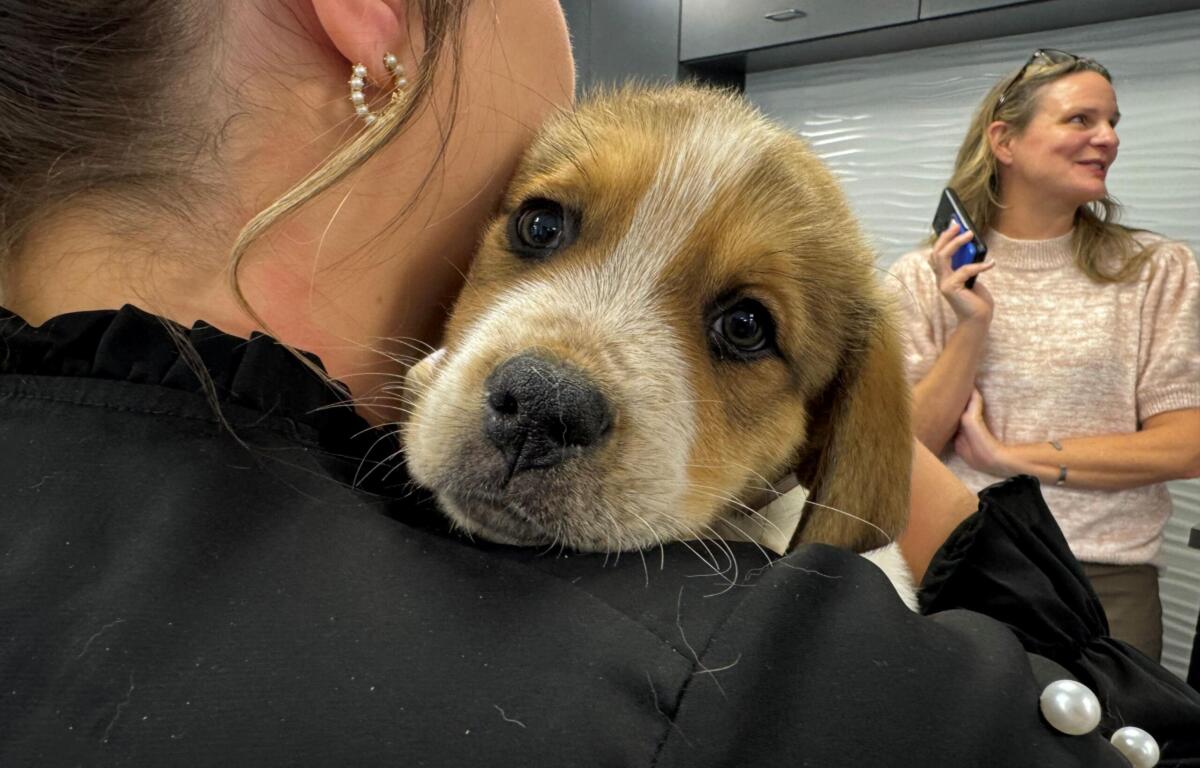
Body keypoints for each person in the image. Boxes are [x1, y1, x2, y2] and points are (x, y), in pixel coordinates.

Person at [1, 4, 1197, 764]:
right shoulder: (766, 690)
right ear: (371, 20)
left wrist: (878, 465)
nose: (557, 378)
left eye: (739, 325)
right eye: (541, 227)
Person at [890, 49, 1200, 662]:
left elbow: (1185, 445)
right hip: (963, 562)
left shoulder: (1155, 270)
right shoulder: (921, 279)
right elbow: (906, 446)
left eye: (1113, 122)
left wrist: (1009, 458)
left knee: (1107, 756)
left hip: (1107, 582)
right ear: (1004, 141)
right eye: (1080, 120)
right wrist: (972, 328)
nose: (1107, 139)